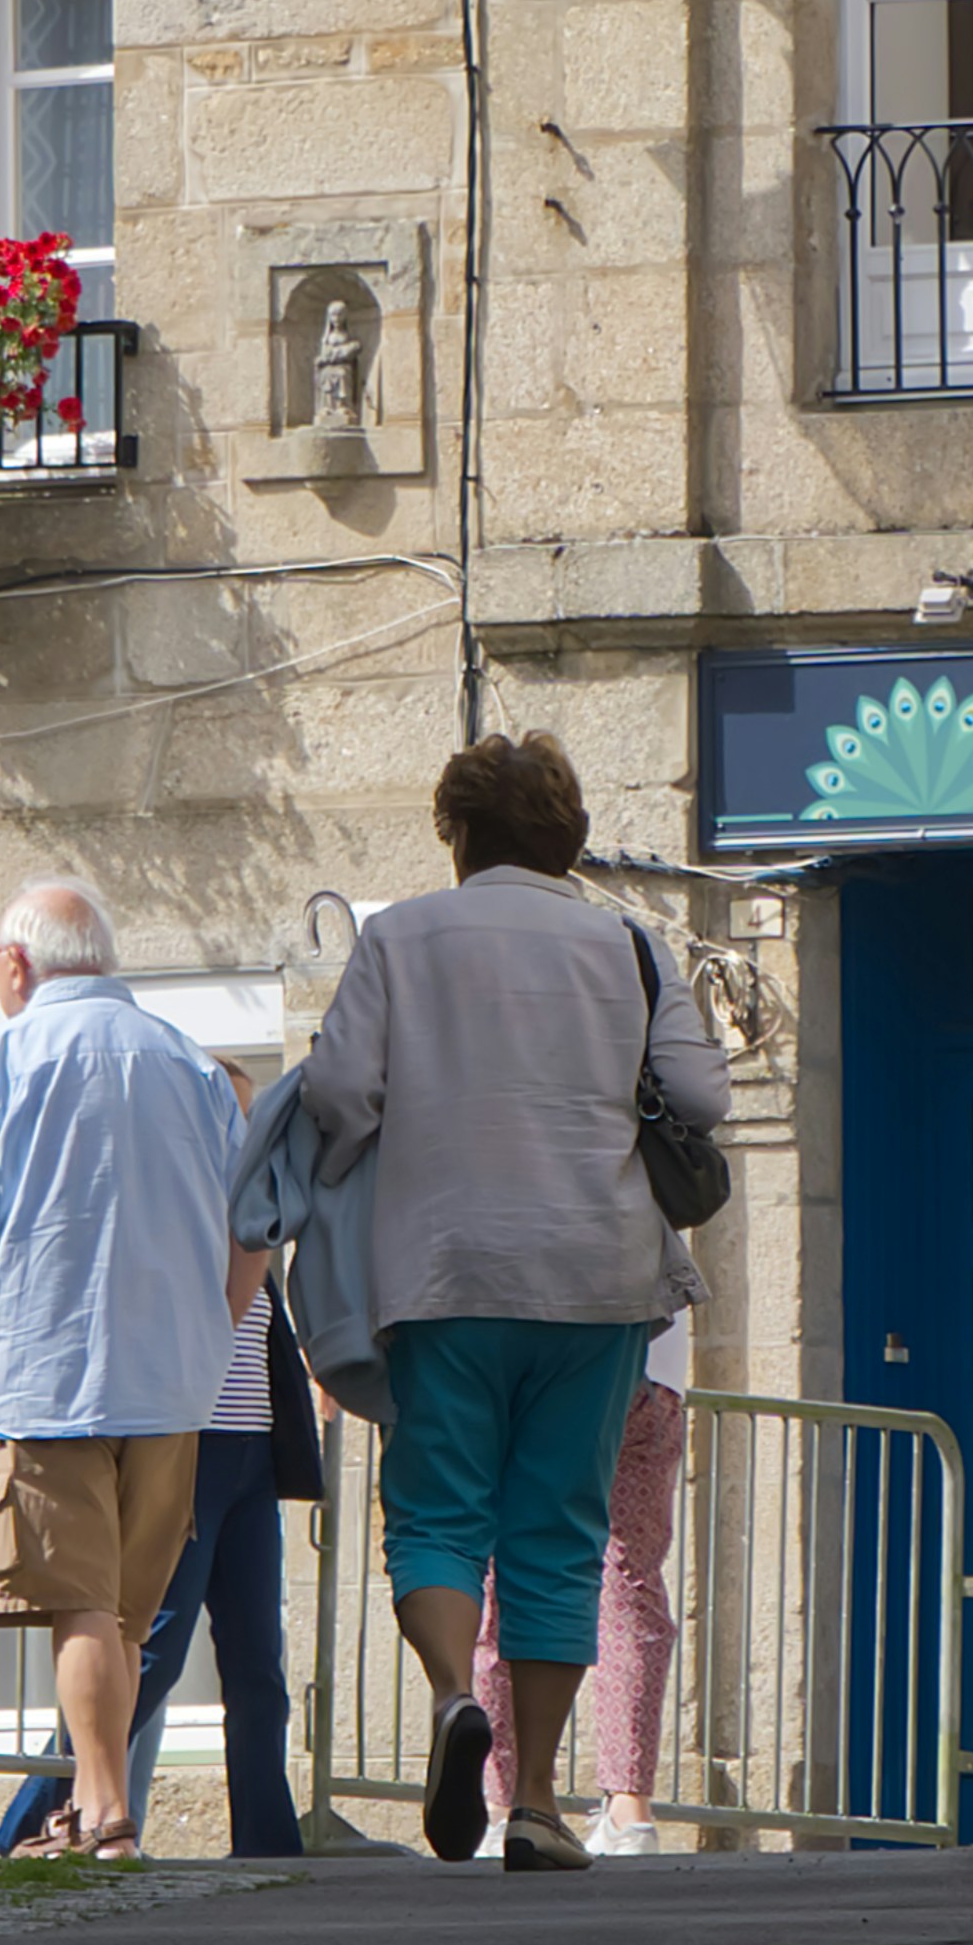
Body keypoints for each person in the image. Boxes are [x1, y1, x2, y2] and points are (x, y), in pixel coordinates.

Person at [306, 731, 727, 1872]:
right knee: (558, 1529)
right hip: (596, 1276)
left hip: (443, 1270)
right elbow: (699, 1096)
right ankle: (538, 1801)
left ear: (456, 832)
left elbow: (339, 1093)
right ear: (568, 836)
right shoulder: (628, 943)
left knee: (440, 1512)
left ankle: (456, 1696)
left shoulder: (398, 938)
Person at [0, 878, 263, 1863]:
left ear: (16, 963)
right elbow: (254, 1227)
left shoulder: (0, 1060)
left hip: (44, 1380)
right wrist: (213, 1331)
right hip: (172, 1387)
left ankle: (101, 1813)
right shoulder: (190, 1065)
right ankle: (94, 1809)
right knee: (123, 1617)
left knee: (84, 1603)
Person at [0, 1275, 321, 1858]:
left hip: (254, 1448)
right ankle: (31, 1822)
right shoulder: (180, 1222)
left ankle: (268, 1844)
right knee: (150, 1650)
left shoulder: (250, 1227)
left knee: (257, 1665)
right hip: (185, 1443)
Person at [470, 1308, 690, 1854]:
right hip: (651, 1374)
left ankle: (504, 1805)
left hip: (546, 1371)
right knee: (631, 1585)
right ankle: (629, 1809)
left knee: (504, 1582)